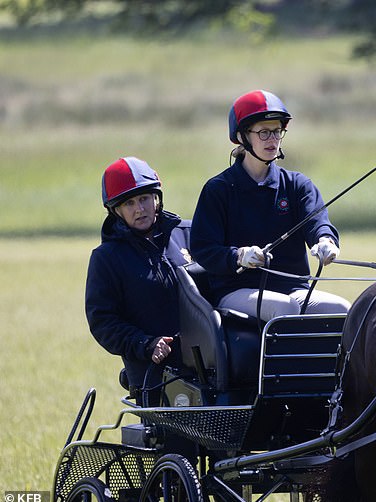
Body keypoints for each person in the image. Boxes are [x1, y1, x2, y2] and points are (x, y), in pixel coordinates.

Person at [190, 89, 350, 321]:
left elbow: (317, 223)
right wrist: (238, 256)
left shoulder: (297, 185)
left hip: (294, 289)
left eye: (277, 131)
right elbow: (203, 249)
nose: (273, 140)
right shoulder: (218, 189)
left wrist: (325, 241)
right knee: (284, 308)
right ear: (243, 136)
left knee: (344, 310)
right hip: (235, 291)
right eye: (264, 133)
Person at [85, 156, 192, 406]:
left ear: (157, 198)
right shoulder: (106, 258)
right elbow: (103, 322)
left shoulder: (189, 234)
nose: (139, 209)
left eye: (144, 198)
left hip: (213, 372)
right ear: (116, 210)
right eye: (129, 203)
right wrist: (145, 344)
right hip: (154, 377)